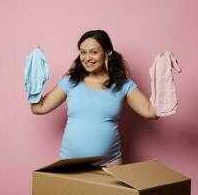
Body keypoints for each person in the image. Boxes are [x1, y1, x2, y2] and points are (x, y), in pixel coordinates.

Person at [30, 30, 158, 166]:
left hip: (109, 164)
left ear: (107, 52)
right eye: (82, 52)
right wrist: (35, 74)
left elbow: (151, 112)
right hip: (69, 163)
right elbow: (39, 108)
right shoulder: (70, 81)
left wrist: (162, 74)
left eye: (94, 52)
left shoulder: (122, 84)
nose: (87, 58)